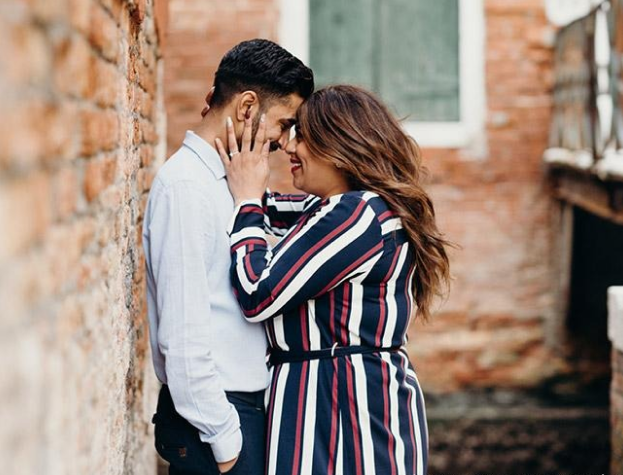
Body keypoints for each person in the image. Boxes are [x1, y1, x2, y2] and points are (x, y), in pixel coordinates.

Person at [214, 85, 453, 475]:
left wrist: (245, 204)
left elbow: (258, 293)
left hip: (343, 410)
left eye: (303, 136)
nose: (290, 147)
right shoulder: (338, 211)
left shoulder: (358, 215)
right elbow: (268, 210)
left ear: (339, 146)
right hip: (330, 399)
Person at [142, 39, 314, 475]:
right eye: (283, 123)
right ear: (246, 107)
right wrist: (225, 442)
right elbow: (181, 337)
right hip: (217, 422)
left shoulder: (231, 184)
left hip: (240, 413)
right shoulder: (186, 187)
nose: (283, 140)